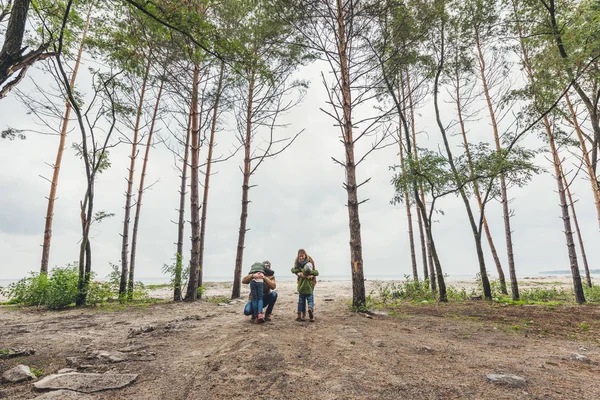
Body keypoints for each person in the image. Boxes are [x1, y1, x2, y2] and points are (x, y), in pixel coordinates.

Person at [291, 252, 319, 322]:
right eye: (300, 256)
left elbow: (293, 270)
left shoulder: (309, 261)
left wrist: (302, 274)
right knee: (310, 299)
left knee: (301, 300)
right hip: (307, 285)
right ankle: (309, 310)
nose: (301, 257)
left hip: (307, 284)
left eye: (302, 256)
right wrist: (299, 273)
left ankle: (301, 315)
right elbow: (316, 272)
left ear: (305, 255)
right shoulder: (298, 263)